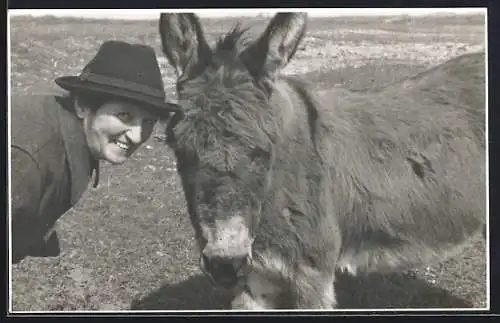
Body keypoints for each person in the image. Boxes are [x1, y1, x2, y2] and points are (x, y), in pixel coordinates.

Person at [10, 40, 182, 264]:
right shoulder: (25, 159)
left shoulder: (69, 125)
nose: (138, 136)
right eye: (124, 116)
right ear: (82, 106)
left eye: (148, 121)